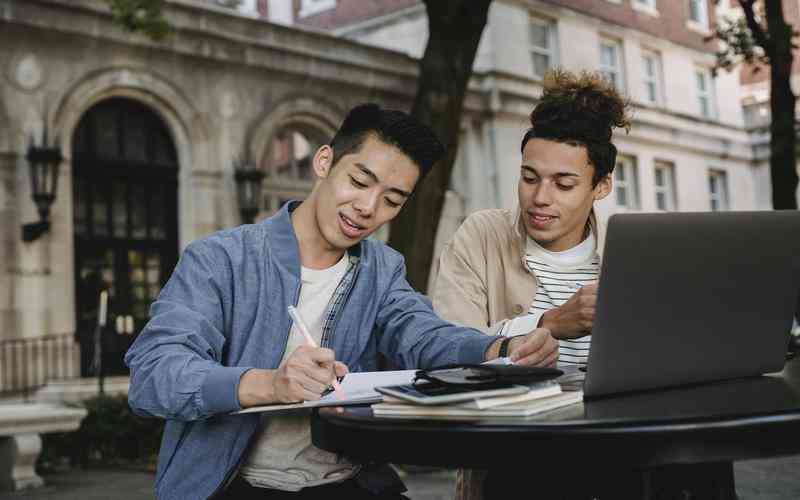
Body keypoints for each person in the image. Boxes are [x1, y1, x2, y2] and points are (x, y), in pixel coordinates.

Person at [125, 103, 558, 500]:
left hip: (347, 481)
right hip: (234, 485)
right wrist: (268, 384)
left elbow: (425, 335)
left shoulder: (381, 269)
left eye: (392, 200)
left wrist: (501, 349)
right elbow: (153, 375)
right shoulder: (220, 259)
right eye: (359, 181)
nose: (368, 208)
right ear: (324, 161)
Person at [431, 69, 630, 500]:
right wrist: (550, 322)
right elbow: (443, 346)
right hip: (512, 456)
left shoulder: (628, 253)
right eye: (529, 177)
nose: (540, 197)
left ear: (601, 186)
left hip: (618, 447)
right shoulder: (481, 235)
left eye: (564, 184)